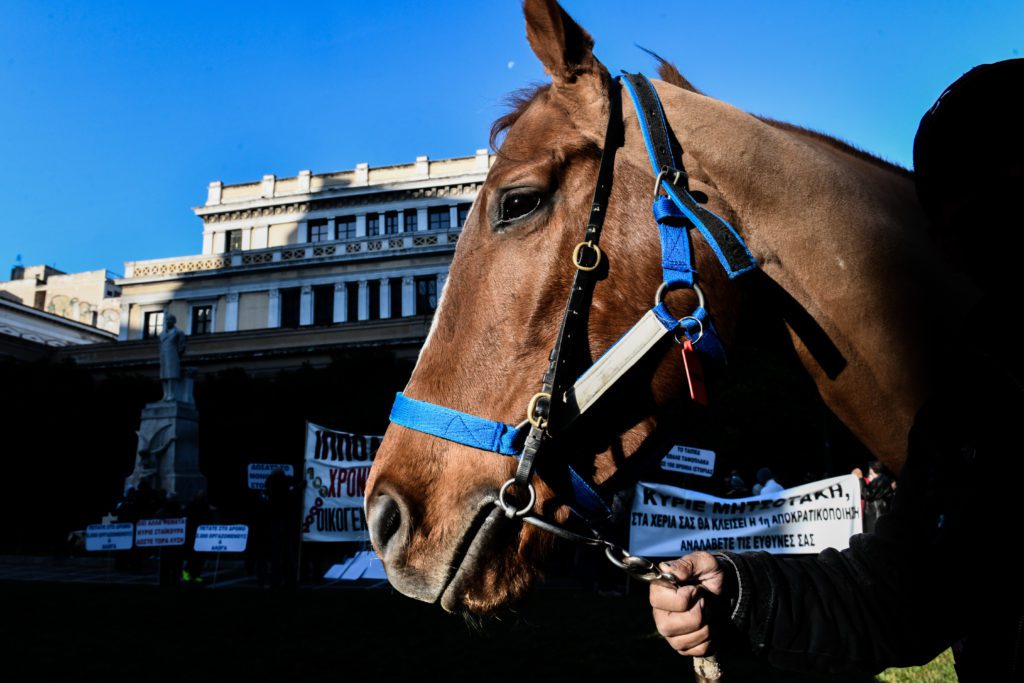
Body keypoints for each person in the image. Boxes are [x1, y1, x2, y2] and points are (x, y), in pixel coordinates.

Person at [649, 59, 1024, 680]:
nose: (978, 247)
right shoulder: (969, 406)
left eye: (1007, 199)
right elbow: (902, 596)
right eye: (952, 222)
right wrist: (739, 593)